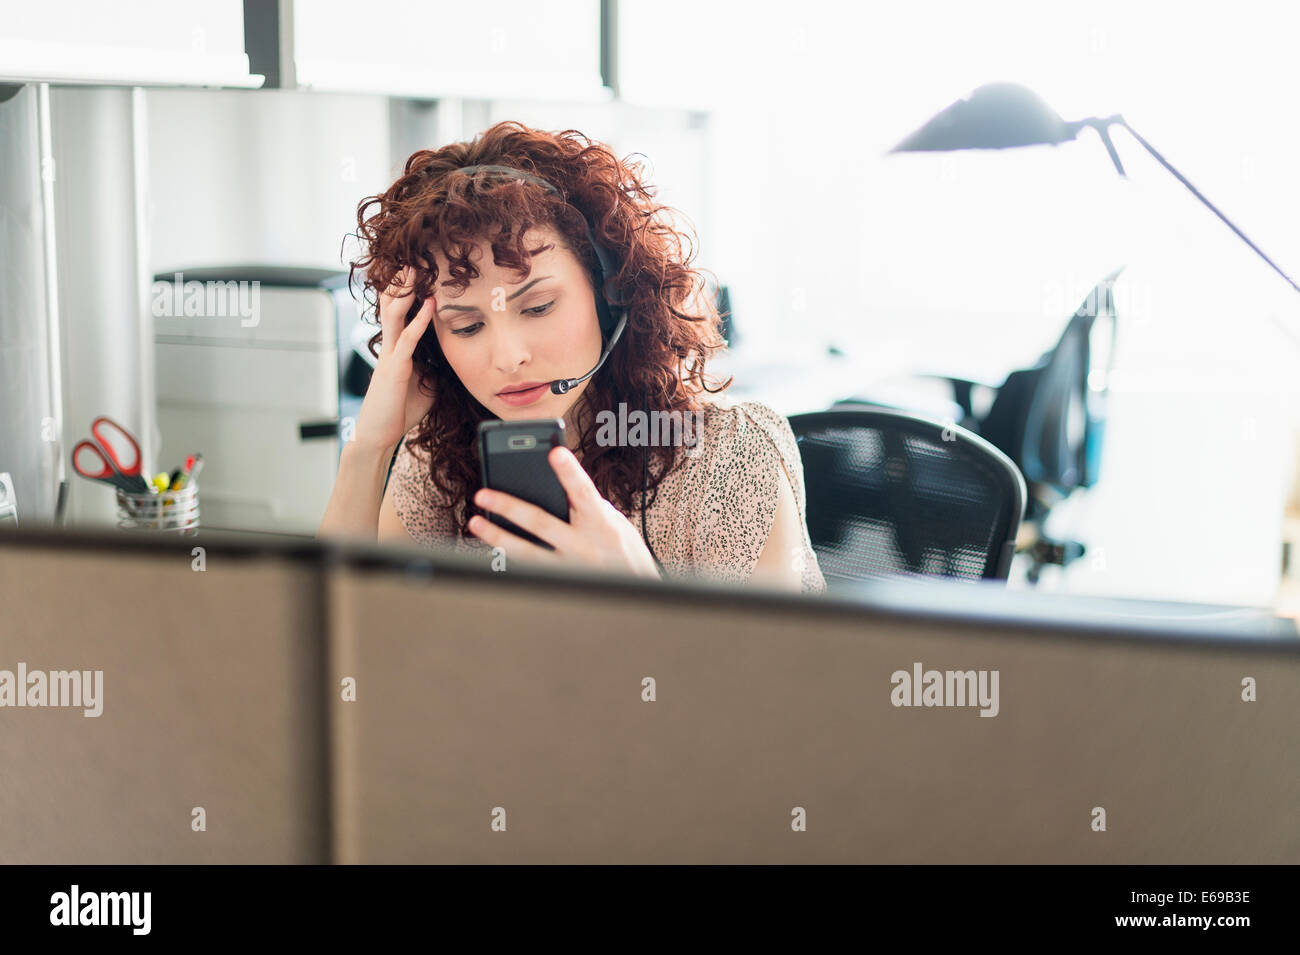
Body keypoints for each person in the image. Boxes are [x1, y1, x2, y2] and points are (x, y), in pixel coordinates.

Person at [318, 121, 826, 594]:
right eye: (467, 326)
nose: (509, 357)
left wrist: (641, 598)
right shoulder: (440, 461)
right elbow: (340, 650)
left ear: (610, 298)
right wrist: (370, 449)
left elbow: (766, 690)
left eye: (538, 306)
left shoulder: (727, 459)